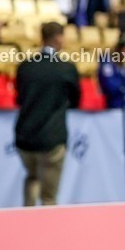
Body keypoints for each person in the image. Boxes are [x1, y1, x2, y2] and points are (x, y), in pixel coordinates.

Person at [14, 22, 80, 206]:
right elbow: (75, 101)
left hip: (25, 137)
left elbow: (19, 97)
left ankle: (27, 221)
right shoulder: (66, 68)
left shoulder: (25, 66)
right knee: (49, 196)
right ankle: (46, 231)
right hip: (52, 138)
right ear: (58, 38)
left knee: (32, 178)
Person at [98, 36, 125, 109]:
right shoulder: (107, 64)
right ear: (120, 49)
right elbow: (110, 87)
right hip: (113, 107)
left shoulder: (124, 68)